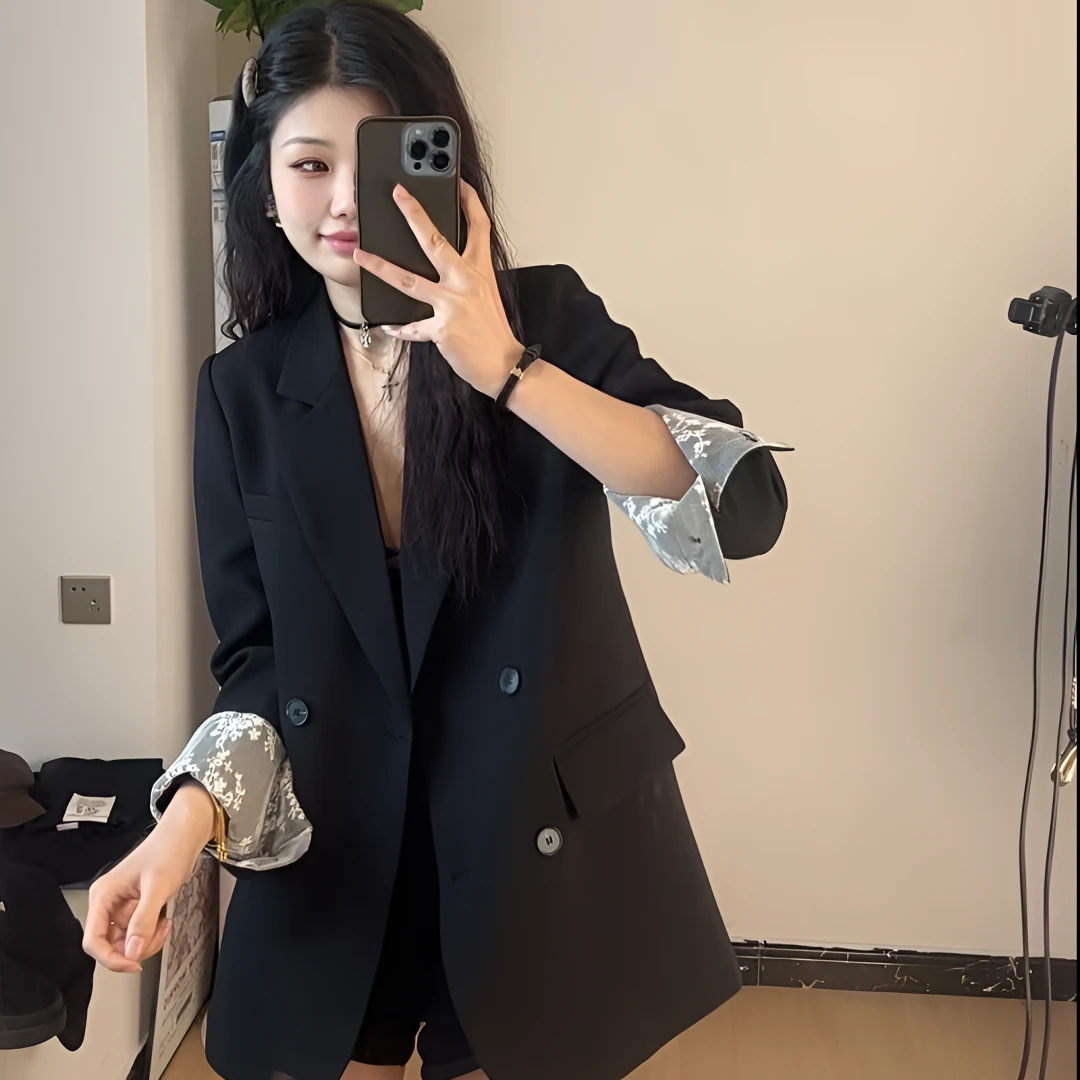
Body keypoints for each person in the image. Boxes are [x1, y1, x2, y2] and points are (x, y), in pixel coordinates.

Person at [82, 3, 790, 1079]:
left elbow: (739, 503)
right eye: (307, 164)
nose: (341, 201)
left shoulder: (545, 320)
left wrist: (506, 367)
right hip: (344, 839)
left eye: (370, 161)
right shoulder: (244, 392)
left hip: (533, 835)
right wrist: (180, 830)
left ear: (441, 166)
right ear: (264, 188)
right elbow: (260, 662)